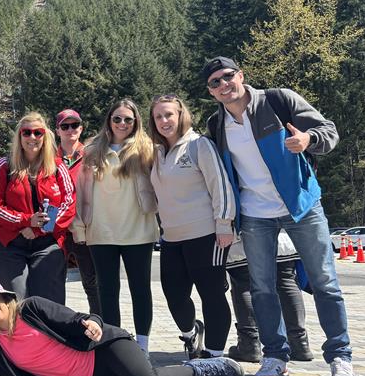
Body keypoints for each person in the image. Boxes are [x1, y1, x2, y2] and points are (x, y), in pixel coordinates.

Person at [202, 56, 355, 376]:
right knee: (261, 288)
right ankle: (275, 357)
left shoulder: (278, 100)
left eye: (227, 76)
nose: (223, 84)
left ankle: (341, 357)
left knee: (325, 282)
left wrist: (307, 140)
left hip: (301, 205)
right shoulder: (217, 126)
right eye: (215, 82)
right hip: (255, 214)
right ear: (211, 92)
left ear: (241, 75)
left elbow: (329, 131)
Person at [0, 275, 248, 376]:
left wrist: (90, 322)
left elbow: (72, 319)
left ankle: (197, 369)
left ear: (5, 297)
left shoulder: (32, 309)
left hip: (104, 352)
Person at [148, 94, 235, 359]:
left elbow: (220, 185)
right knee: (174, 295)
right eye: (159, 116)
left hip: (206, 235)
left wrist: (223, 223)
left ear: (181, 115)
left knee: (211, 295)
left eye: (169, 114)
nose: (164, 120)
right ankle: (190, 333)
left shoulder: (199, 145)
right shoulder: (157, 152)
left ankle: (215, 355)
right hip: (171, 238)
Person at [72, 99, 158, 354]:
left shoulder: (147, 149)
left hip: (138, 229)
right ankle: (115, 346)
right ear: (109, 120)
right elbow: (82, 193)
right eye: (117, 118)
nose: (122, 124)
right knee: (107, 291)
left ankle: (142, 346)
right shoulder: (92, 150)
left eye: (128, 119)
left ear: (136, 122)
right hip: (102, 231)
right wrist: (80, 226)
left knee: (140, 289)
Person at [0, 112, 75, 305]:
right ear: (19, 136)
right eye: (26, 133)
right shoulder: (5, 165)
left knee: (49, 305)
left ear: (46, 136)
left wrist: (39, 228)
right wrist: (25, 221)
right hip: (10, 245)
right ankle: (11, 336)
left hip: (47, 243)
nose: (32, 137)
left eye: (38, 132)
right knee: (13, 304)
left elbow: (68, 203)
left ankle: (50, 336)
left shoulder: (58, 166)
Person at [226, 233, 313, 363]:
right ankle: (300, 343)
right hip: (282, 236)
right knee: (286, 280)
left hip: (246, 235)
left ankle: (250, 343)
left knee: (243, 283)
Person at [54, 109, 100, 315]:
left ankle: (101, 326)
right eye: (65, 126)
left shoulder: (92, 154)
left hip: (85, 226)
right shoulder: (48, 157)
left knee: (92, 282)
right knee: (54, 282)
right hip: (58, 229)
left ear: (81, 128)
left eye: (74, 125)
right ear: (57, 131)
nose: (70, 130)